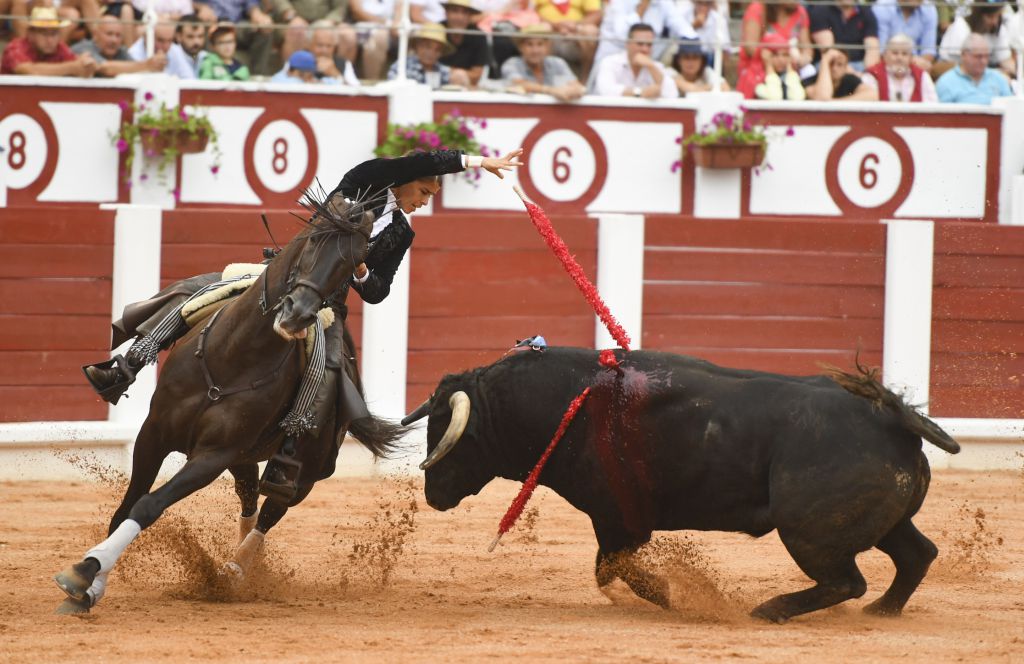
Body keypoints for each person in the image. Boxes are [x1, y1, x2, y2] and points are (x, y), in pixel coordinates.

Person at [82, 148, 524, 495]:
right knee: (199, 293)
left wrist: (361, 270)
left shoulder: (402, 233)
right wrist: (477, 162)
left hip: (327, 304)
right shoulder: (361, 184)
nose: (425, 203)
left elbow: (379, 291)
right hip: (282, 276)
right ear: (408, 183)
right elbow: (421, 160)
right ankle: (127, 366)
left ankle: (288, 452)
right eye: (425, 194)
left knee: (327, 366)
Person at [736, 0, 812, 99]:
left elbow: (807, 49)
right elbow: (750, 48)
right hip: (760, 70)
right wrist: (774, 60)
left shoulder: (801, 12)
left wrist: (801, 59)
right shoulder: (758, 8)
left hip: (790, 70)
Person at [1, 6, 97, 76]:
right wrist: (72, 67)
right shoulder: (15, 47)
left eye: (54, 34)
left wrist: (86, 66)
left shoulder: (60, 47)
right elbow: (28, 70)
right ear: (31, 34)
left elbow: (78, 65)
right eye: (44, 34)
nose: (50, 40)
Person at [592, 0, 694, 66]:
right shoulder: (620, 2)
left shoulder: (663, 2)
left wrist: (695, 41)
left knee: (680, 46)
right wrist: (641, 9)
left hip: (649, 56)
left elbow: (679, 24)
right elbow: (623, 34)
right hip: (616, 56)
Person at [501, 22, 586, 101]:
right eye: (529, 45)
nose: (535, 50)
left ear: (547, 46)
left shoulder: (557, 63)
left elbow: (576, 85)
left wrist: (575, 90)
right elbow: (518, 84)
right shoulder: (512, 64)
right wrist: (551, 90)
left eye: (540, 44)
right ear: (521, 48)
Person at [592, 22, 678, 98]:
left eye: (649, 45)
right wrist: (640, 93)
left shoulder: (656, 66)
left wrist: (651, 67)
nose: (645, 49)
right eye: (640, 44)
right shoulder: (610, 62)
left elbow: (672, 94)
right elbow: (606, 90)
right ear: (627, 44)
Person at [72, 14, 167, 76]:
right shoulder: (83, 48)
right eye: (109, 34)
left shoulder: (121, 51)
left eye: (118, 35)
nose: (114, 40)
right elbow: (105, 68)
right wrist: (146, 65)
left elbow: (136, 70)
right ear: (95, 34)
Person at [939, 0, 1015, 77]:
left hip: (986, 73)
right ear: (978, 15)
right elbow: (960, 66)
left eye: (997, 16)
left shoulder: (998, 29)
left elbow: (1006, 61)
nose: (995, 22)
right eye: (990, 17)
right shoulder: (961, 27)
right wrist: (994, 73)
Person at [936, 32, 1014, 103]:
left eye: (986, 56)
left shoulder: (998, 79)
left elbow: (1010, 109)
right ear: (964, 55)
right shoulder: (946, 82)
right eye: (978, 56)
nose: (983, 61)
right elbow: (943, 116)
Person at [533, 0, 601, 79]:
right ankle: (543, 79)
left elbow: (596, 14)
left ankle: (585, 80)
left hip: (577, 29)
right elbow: (530, 10)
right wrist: (554, 25)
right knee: (542, 28)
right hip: (547, 27)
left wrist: (574, 26)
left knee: (590, 31)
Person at [387, 22, 470, 87]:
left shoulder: (441, 70)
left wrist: (458, 77)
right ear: (417, 46)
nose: (431, 53)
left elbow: (456, 78)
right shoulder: (402, 67)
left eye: (437, 49)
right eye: (427, 47)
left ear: (441, 53)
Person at [861, 33, 938, 102]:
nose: (899, 58)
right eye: (895, 53)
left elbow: (933, 105)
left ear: (911, 58)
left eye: (904, 54)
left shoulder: (923, 76)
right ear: (884, 55)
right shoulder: (872, 75)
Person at [809, 0, 880, 71]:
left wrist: (867, 74)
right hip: (830, 65)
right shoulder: (820, 10)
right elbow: (828, 50)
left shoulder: (866, 12)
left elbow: (872, 50)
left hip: (860, 65)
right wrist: (854, 76)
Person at [872, 0, 938, 75]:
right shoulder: (882, 7)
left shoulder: (929, 8)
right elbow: (881, 51)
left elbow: (928, 51)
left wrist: (915, 69)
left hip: (916, 68)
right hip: (888, 66)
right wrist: (907, 62)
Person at [344, 0, 399, 80]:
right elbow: (356, 11)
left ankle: (371, 82)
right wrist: (384, 23)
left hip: (387, 32)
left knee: (379, 38)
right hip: (361, 27)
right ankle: (345, 78)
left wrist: (393, 25)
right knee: (346, 34)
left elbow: (399, 15)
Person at [440, 0, 490, 87]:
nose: (459, 17)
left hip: (467, 89)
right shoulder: (436, 31)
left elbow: (477, 75)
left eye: (465, 12)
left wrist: (450, 72)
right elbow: (427, 67)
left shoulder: (478, 35)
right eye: (454, 11)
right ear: (446, 13)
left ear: (470, 16)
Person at [127, 20, 196, 78]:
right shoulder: (133, 54)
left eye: (170, 40)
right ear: (146, 37)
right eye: (160, 40)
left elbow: (189, 80)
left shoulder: (175, 49)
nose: (166, 46)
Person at [804, 47, 878, 101]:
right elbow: (822, 98)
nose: (834, 68)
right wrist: (825, 60)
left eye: (839, 64)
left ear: (846, 68)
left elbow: (873, 95)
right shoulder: (810, 80)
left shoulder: (850, 79)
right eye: (830, 63)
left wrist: (836, 103)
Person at [753, 31, 806, 100]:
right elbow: (774, 97)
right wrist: (768, 66)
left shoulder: (791, 76)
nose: (781, 60)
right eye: (775, 54)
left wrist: (790, 71)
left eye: (785, 55)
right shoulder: (756, 78)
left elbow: (798, 97)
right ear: (765, 55)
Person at [309, 19, 361, 86]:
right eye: (320, 45)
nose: (324, 51)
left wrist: (336, 75)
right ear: (310, 44)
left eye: (329, 46)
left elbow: (357, 90)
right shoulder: (298, 61)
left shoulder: (344, 64)